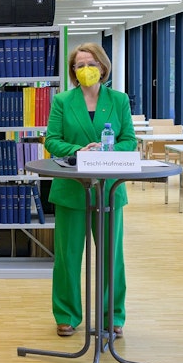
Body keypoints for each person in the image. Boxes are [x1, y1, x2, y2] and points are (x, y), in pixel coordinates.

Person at [44, 42, 136, 338]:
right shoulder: (62, 101)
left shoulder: (119, 100)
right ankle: (67, 315)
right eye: (80, 65)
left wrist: (106, 149)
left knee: (112, 255)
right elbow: (52, 140)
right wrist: (80, 150)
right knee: (69, 257)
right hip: (72, 188)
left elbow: (129, 141)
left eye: (91, 63)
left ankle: (113, 316)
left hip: (109, 189)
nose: (86, 69)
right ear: (73, 71)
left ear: (103, 67)